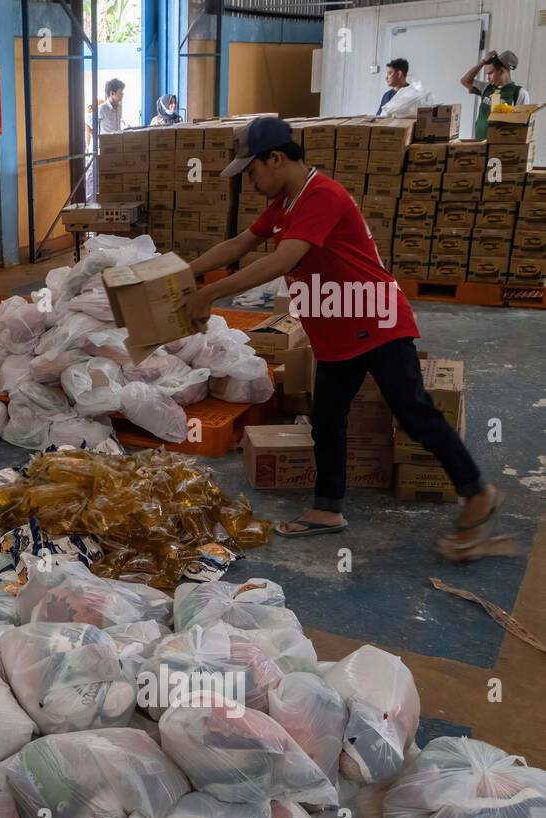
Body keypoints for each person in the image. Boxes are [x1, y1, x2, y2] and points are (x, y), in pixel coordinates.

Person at [181, 117, 499, 552]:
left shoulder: (322, 196)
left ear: (275, 159)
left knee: (413, 411)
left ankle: (477, 490)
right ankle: (328, 508)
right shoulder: (285, 202)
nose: (250, 183)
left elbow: (283, 260)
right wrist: (180, 276)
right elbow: (238, 245)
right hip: (337, 328)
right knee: (327, 417)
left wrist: (211, 293)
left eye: (251, 171)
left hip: (377, 321)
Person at [461, 49, 529, 139]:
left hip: (499, 150)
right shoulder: (487, 88)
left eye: (490, 73)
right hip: (479, 145)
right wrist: (483, 62)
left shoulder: (519, 93)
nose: (488, 78)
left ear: (501, 71)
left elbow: (523, 127)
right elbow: (465, 81)